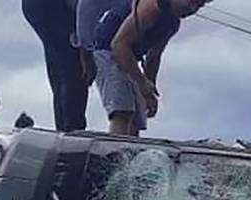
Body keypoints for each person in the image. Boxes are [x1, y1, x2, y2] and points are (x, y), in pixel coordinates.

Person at [76, 0, 209, 136]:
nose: (192, 9)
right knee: (122, 111)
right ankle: (114, 152)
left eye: (199, 6)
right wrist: (142, 83)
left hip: (130, 57)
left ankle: (131, 153)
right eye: (191, 2)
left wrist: (149, 89)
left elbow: (153, 56)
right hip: (108, 49)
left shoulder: (173, 23)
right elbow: (119, 44)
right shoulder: (151, 6)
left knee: (137, 118)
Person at [22, 0, 90, 131]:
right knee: (72, 67)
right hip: (58, 7)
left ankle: (65, 128)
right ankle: (72, 130)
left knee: (59, 64)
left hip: (37, 7)